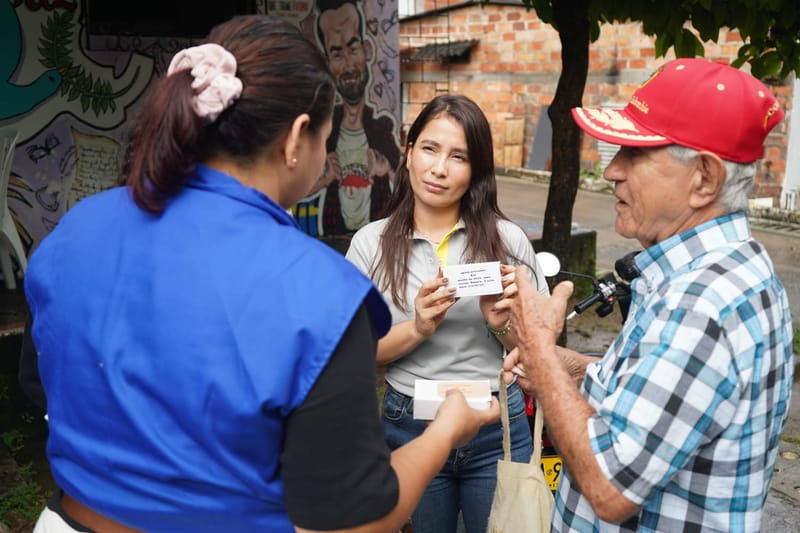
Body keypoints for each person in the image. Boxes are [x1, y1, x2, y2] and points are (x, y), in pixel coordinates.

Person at [25, 15, 499, 533]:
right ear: (298, 137)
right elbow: (353, 523)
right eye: (326, 135)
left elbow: (42, 380)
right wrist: (445, 431)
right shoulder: (319, 293)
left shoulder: (77, 230)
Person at [503, 57, 794, 532]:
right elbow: (680, 394)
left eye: (635, 154)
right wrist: (580, 369)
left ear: (704, 178)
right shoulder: (722, 271)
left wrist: (539, 349)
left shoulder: (703, 303)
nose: (613, 170)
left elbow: (609, 486)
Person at [346, 94, 549, 533]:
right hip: (409, 422)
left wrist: (506, 326)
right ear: (409, 151)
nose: (439, 168)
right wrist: (418, 328)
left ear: (476, 170)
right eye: (429, 149)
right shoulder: (369, 244)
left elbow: (543, 353)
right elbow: (354, 355)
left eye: (459, 157)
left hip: (498, 421)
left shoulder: (509, 242)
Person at [297, 0, 400, 236]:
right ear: (327, 62)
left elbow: (412, 194)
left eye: (353, 49)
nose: (348, 65)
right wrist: (323, 180)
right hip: (331, 242)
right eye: (337, 54)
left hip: (377, 241)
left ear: (367, 49)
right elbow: (286, 194)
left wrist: (387, 171)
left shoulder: (384, 130)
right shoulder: (321, 133)